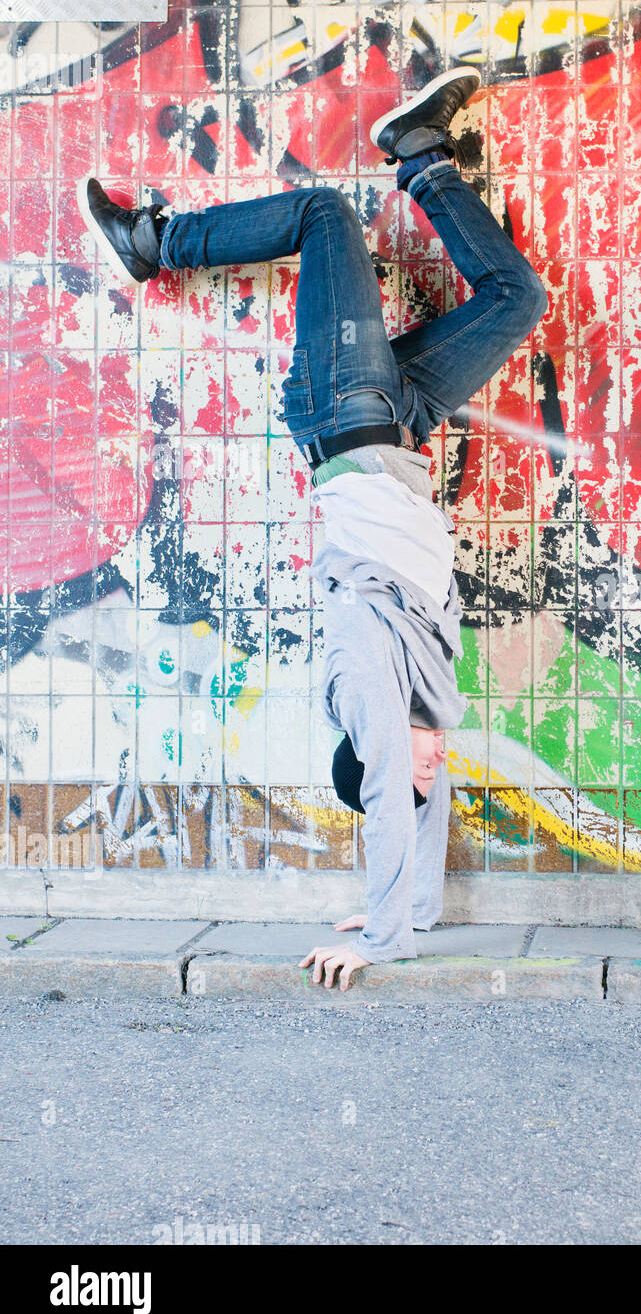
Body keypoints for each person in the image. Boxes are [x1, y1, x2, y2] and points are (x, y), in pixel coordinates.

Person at [78, 66, 548, 989]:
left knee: (324, 215)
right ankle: (422, 160)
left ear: (373, 745)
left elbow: (387, 794)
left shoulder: (366, 679)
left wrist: (376, 941)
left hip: (343, 412)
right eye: (428, 774)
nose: (432, 766)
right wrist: (411, 911)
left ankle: (152, 244)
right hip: (401, 423)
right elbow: (418, 801)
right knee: (517, 302)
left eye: (414, 769)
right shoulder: (431, 703)